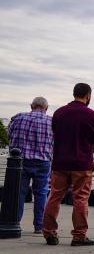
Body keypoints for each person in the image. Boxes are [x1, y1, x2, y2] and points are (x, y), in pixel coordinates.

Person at [42, 83, 94, 246]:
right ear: (88, 96)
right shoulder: (92, 115)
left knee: (54, 196)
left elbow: (55, 131)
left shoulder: (59, 113)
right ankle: (79, 235)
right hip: (82, 162)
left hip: (60, 161)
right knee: (81, 198)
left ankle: (49, 233)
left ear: (74, 93)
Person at [8, 97, 53, 234]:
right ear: (46, 107)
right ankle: (39, 226)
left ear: (31, 106)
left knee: (19, 193)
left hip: (20, 161)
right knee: (41, 193)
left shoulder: (18, 118)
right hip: (43, 161)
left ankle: (14, 222)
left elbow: (9, 134)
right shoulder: (52, 122)